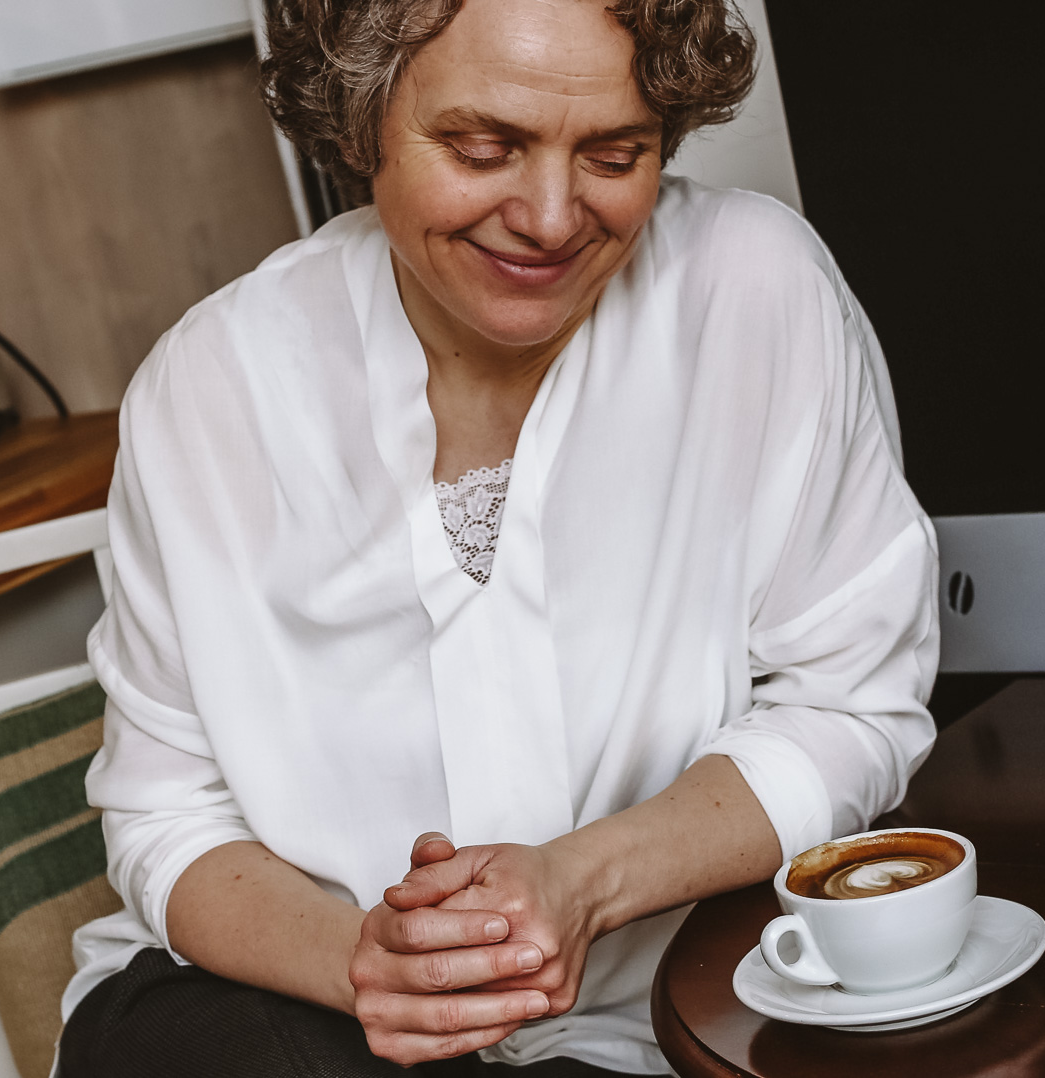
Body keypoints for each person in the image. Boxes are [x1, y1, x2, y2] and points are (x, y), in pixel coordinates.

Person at [57, 0, 940, 1074]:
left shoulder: (752, 290)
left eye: (617, 153)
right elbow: (164, 813)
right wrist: (369, 967)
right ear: (360, 117)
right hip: (287, 1013)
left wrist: (582, 878)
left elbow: (849, 705)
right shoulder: (209, 388)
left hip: (661, 1019)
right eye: (483, 149)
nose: (553, 215)